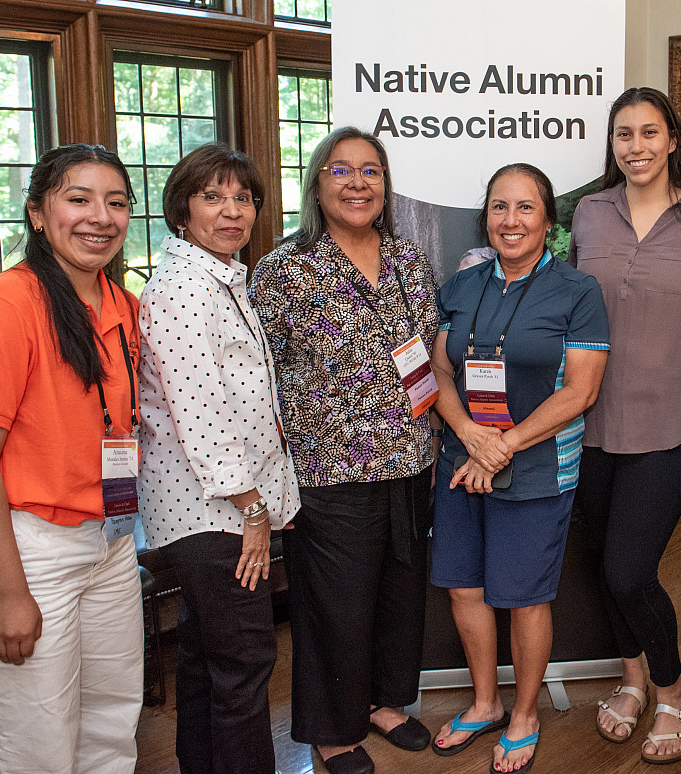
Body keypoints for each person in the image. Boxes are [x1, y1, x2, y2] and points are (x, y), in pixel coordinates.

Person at [0, 143, 144, 773]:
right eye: (78, 200)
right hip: (27, 549)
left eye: (116, 202)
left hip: (107, 541)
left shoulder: (121, 305)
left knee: (111, 723)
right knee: (33, 744)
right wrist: (7, 593)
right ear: (37, 213)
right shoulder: (7, 306)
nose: (100, 217)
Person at [249, 127, 439, 774]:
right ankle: (333, 729)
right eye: (341, 170)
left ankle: (386, 702)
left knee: (399, 594)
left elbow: (426, 358)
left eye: (371, 171)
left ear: (386, 186)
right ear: (317, 183)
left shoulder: (410, 260)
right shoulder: (285, 268)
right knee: (337, 605)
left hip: (412, 461)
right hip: (330, 470)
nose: (358, 182)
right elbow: (258, 379)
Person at [430, 163, 610, 774]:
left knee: (526, 598)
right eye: (500, 208)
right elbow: (439, 374)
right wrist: (469, 436)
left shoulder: (578, 291)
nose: (511, 220)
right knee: (465, 586)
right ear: (486, 217)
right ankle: (485, 703)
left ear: (548, 221)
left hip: (536, 469)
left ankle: (526, 713)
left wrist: (502, 445)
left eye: (526, 208)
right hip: (462, 461)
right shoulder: (462, 285)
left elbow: (580, 392)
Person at [568, 87, 681, 764]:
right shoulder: (588, 213)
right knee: (603, 567)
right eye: (623, 135)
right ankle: (631, 681)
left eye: (648, 133)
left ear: (671, 140)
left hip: (671, 419)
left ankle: (673, 694)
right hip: (586, 417)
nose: (635, 146)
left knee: (631, 570)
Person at [136, 143, 299, 774]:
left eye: (244, 198)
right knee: (244, 665)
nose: (232, 211)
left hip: (214, 511)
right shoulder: (183, 290)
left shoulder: (220, 277)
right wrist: (254, 509)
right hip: (212, 516)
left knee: (207, 660)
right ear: (182, 210)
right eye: (213, 197)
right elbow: (203, 417)